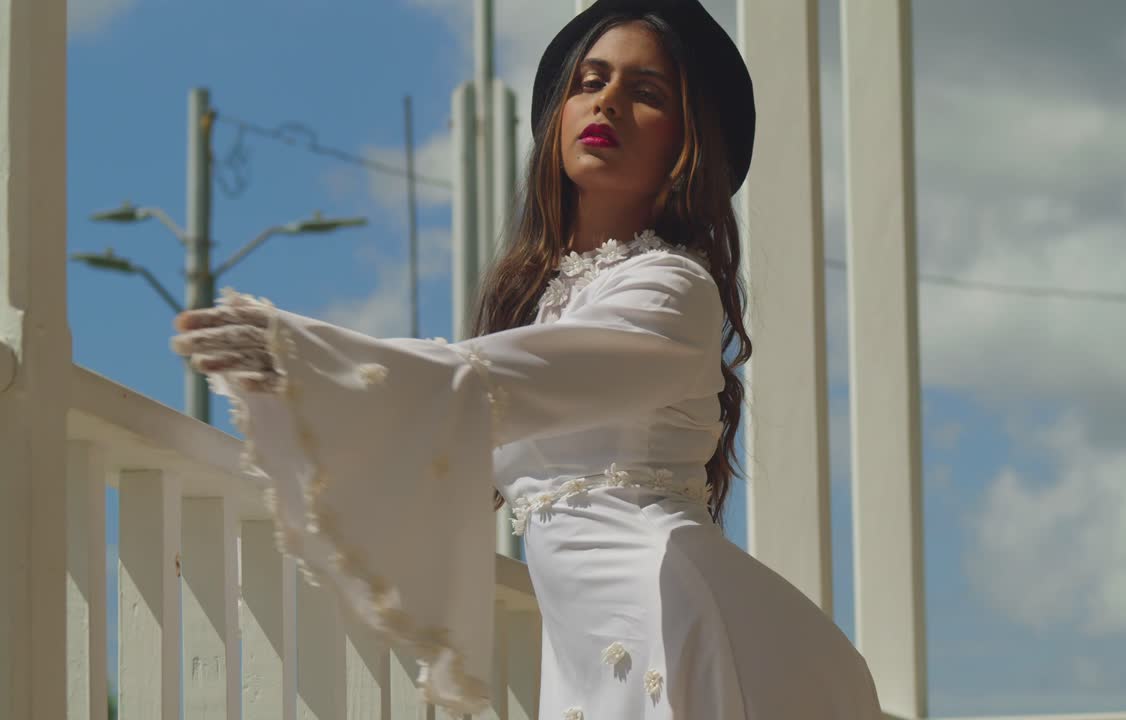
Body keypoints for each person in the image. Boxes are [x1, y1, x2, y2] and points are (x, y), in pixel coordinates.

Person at [171, 1, 882, 717]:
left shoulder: (674, 288)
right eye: (590, 81)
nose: (606, 100)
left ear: (683, 149)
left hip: (676, 626)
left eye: (647, 93)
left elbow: (500, 379)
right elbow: (444, 448)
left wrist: (312, 361)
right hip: (592, 652)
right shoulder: (547, 303)